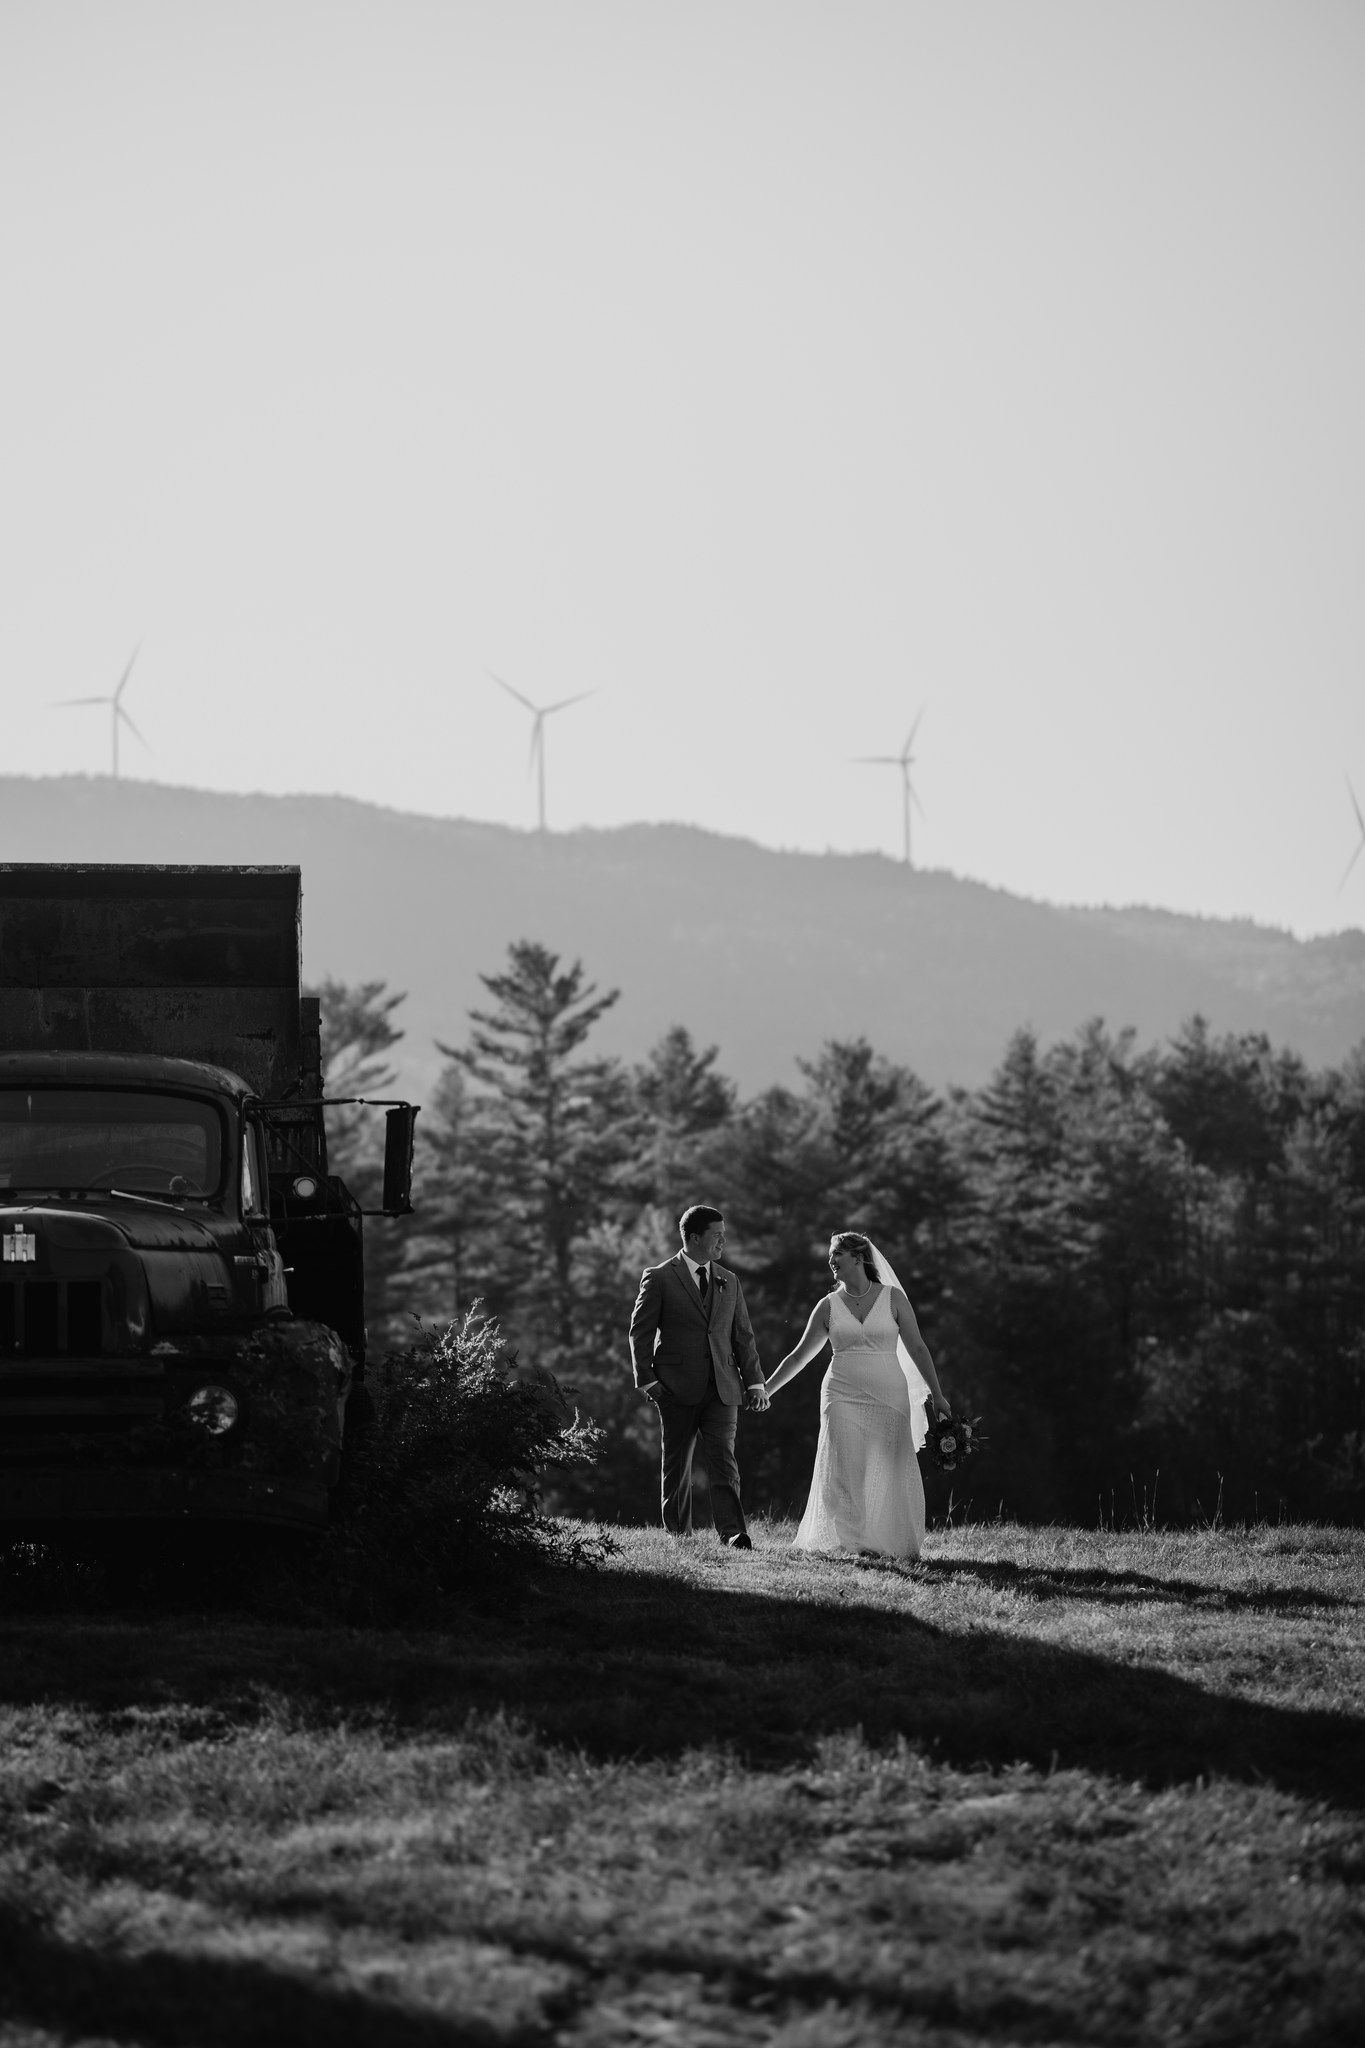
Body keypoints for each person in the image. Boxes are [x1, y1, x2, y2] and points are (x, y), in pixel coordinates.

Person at [764, 1230, 951, 1561]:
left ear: (858, 1257)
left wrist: (937, 1395)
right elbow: (798, 1357)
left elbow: (918, 1347)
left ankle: (889, 1540)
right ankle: (852, 1543)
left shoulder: (893, 1299)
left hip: (890, 1395)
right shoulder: (828, 1306)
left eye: (837, 1254)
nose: (830, 1261)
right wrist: (766, 1390)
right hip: (841, 1394)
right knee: (845, 1466)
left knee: (891, 1466)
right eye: (831, 1255)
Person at [629, 1204, 769, 1548]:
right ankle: (679, 1532)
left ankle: (733, 1532)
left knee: (724, 1458)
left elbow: (743, 1336)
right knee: (677, 1464)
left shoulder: (729, 1280)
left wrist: (754, 1382)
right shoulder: (660, 1277)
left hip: (724, 1387)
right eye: (716, 1235)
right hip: (675, 1388)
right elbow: (640, 1332)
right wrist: (646, 1380)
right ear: (694, 1237)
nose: (723, 1241)